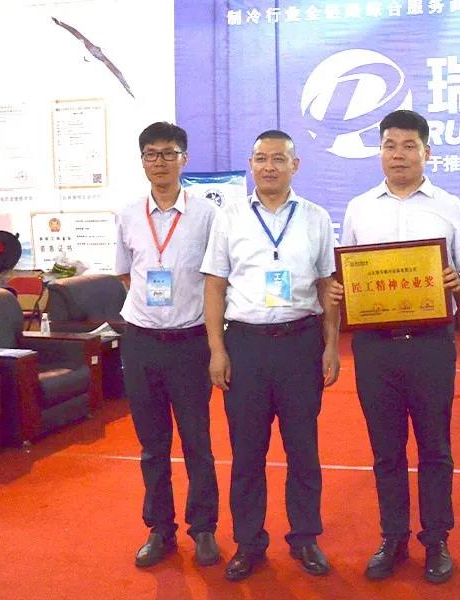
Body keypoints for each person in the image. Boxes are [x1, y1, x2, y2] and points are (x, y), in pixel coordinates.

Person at [334, 109, 460, 584]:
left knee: (435, 446)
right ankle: (392, 537)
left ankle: (436, 539)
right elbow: (347, 271)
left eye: (409, 146)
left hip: (431, 345)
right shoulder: (359, 208)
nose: (398, 155)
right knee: (386, 449)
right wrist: (341, 288)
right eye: (390, 146)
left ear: (426, 152)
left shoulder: (449, 206)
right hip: (375, 347)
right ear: (379, 151)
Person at [201, 130, 340, 582]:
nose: (269, 167)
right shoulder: (230, 217)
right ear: (251, 164)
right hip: (246, 346)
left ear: (295, 166)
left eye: (279, 159)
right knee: (246, 452)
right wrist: (217, 350)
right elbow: (214, 286)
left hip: (301, 343)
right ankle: (248, 542)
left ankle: (305, 537)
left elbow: (327, 286)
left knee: (303, 448)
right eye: (261, 158)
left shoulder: (316, 217)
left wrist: (331, 345)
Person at [115, 121, 220, 568]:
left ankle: (204, 529)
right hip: (141, 342)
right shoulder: (127, 214)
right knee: (152, 445)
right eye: (152, 154)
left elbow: (217, 278)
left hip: (191, 343)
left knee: (197, 442)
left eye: (169, 153)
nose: (160, 161)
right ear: (142, 161)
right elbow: (127, 273)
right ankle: (160, 529)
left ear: (184, 159)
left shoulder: (207, 214)